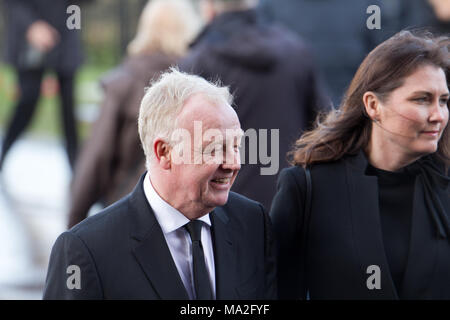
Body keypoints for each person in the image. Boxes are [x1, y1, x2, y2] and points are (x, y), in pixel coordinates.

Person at [43, 69, 277, 300]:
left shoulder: (252, 224)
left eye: (236, 146)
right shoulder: (87, 250)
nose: (233, 163)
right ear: (164, 152)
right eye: (215, 148)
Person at [270, 30, 449, 299]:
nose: (438, 115)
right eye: (422, 99)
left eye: (444, 101)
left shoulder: (444, 186)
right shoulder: (309, 188)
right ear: (373, 105)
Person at [180, 0, 329, 211]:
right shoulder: (296, 52)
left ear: (209, 6)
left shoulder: (197, 62)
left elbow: (184, 147)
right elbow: (323, 128)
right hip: (289, 200)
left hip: (222, 206)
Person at [67, 0, 201, 228]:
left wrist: (74, 223)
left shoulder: (123, 83)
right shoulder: (200, 87)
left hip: (128, 211)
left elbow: (96, 159)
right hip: (186, 216)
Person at [1, 0, 91, 170]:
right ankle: (3, 154)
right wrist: (31, 25)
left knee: (68, 113)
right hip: (31, 38)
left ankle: (78, 177)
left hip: (65, 34)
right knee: (27, 103)